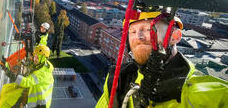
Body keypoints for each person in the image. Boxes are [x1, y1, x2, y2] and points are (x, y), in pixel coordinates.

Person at [96, 10, 228, 108]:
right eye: (133, 32)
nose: (138, 37)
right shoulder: (119, 79)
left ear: (175, 36)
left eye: (148, 29)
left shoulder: (197, 93)